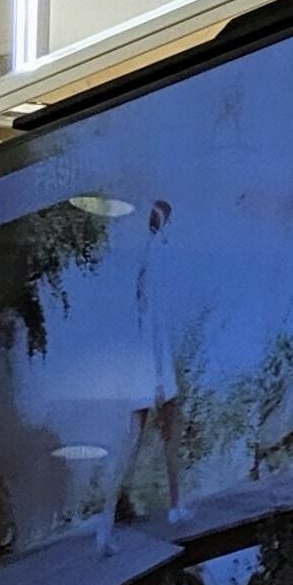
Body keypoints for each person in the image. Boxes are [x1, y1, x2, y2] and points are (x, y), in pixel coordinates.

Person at [93, 198, 188, 557]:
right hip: (154, 370)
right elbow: (156, 326)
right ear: (164, 224)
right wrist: (161, 380)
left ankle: (104, 527)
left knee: (131, 445)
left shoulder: (144, 262)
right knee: (168, 437)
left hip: (142, 371)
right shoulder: (158, 260)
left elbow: (141, 325)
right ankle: (176, 507)